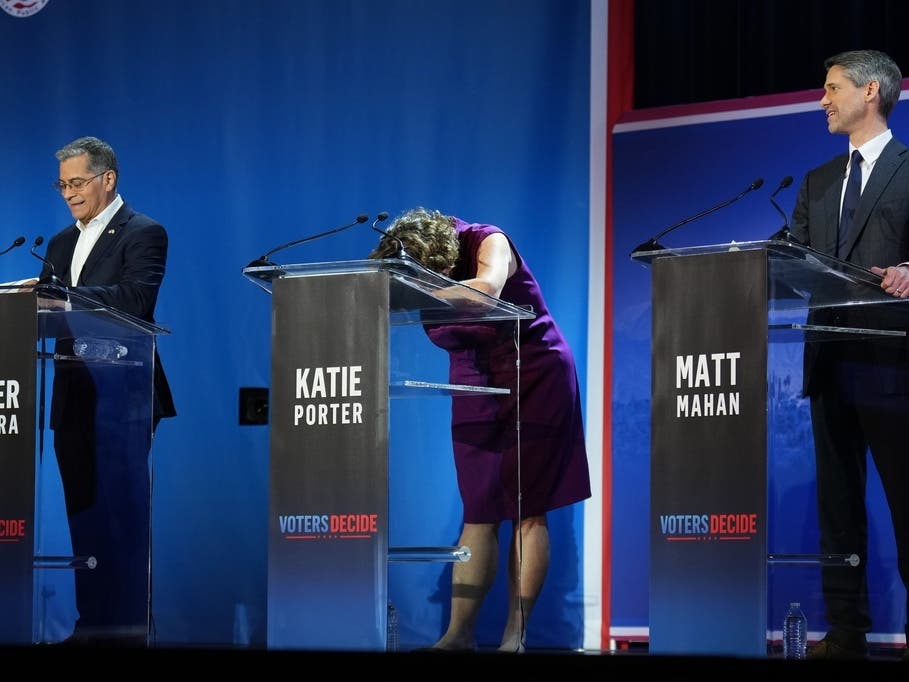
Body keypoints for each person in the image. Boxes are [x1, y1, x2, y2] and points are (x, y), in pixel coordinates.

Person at [369, 207, 590, 652]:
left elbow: (486, 290)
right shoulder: (411, 261)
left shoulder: (489, 240)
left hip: (534, 373)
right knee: (479, 508)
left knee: (529, 508)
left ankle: (516, 635)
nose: (437, 280)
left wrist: (420, 289)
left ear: (447, 254)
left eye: (440, 273)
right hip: (473, 380)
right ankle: (458, 635)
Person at [32, 136, 176, 645]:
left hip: (125, 394)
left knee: (123, 517)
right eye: (62, 185)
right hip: (73, 392)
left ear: (106, 178)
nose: (68, 193)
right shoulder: (58, 244)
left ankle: (129, 629)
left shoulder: (144, 232)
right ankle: (90, 625)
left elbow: (136, 298)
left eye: (76, 182)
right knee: (83, 516)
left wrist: (59, 297)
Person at [788, 50, 909, 660]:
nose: (823, 99)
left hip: (894, 364)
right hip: (829, 362)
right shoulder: (816, 180)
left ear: (870, 92)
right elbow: (790, 259)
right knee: (838, 510)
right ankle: (844, 633)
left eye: (832, 88)